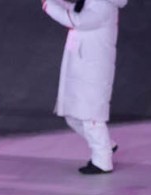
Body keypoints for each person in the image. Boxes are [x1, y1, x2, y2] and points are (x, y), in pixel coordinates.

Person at [42, 0, 127, 174]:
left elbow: (77, 21)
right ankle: (106, 145)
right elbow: (74, 11)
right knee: (73, 116)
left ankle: (102, 161)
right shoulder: (94, 2)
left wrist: (49, 5)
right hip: (83, 67)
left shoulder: (104, 6)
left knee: (91, 116)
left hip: (93, 71)